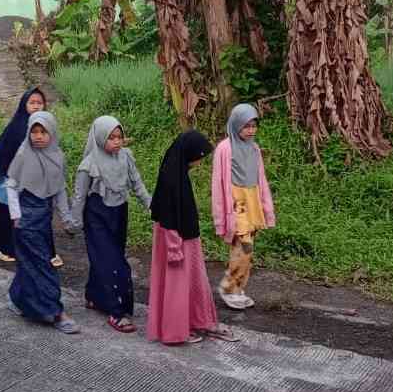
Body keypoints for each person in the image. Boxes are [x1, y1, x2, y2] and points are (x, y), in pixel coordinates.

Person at [148, 131, 237, 346]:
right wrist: (174, 249)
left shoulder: (178, 171)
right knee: (177, 286)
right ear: (189, 153)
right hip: (177, 241)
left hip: (186, 239)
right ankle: (175, 332)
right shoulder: (172, 178)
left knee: (194, 282)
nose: (200, 161)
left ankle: (198, 320)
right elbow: (168, 217)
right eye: (200, 156)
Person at [70, 116, 152, 333]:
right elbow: (79, 196)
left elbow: (137, 183)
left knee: (107, 258)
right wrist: (74, 222)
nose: (117, 142)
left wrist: (151, 205)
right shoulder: (88, 165)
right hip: (96, 216)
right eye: (111, 138)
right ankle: (116, 312)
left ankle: (94, 297)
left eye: (119, 137)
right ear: (99, 139)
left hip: (119, 214)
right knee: (113, 263)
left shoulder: (126, 157)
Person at [6, 111, 79, 334]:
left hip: (44, 219)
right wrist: (16, 216)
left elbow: (59, 190)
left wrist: (66, 216)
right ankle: (56, 312)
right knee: (43, 265)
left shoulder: (57, 157)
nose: (38, 136)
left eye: (43, 132)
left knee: (30, 263)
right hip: (25, 221)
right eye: (34, 132)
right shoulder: (23, 155)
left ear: (52, 133)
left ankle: (18, 298)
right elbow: (10, 185)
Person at [0, 88, 59, 265]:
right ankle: (0, 248)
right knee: (7, 214)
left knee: (38, 214)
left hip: (36, 180)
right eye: (32, 102)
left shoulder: (46, 128)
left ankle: (44, 251)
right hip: (10, 178)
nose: (36, 106)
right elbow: (0, 147)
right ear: (24, 104)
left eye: (39, 103)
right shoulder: (16, 126)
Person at [211, 104, 276, 310]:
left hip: (252, 201)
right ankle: (229, 287)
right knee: (243, 246)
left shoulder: (254, 148)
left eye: (254, 125)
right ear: (235, 125)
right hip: (236, 205)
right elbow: (218, 182)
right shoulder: (224, 148)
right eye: (246, 126)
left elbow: (261, 178)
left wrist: (266, 206)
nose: (251, 130)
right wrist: (221, 214)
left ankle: (237, 287)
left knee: (248, 248)